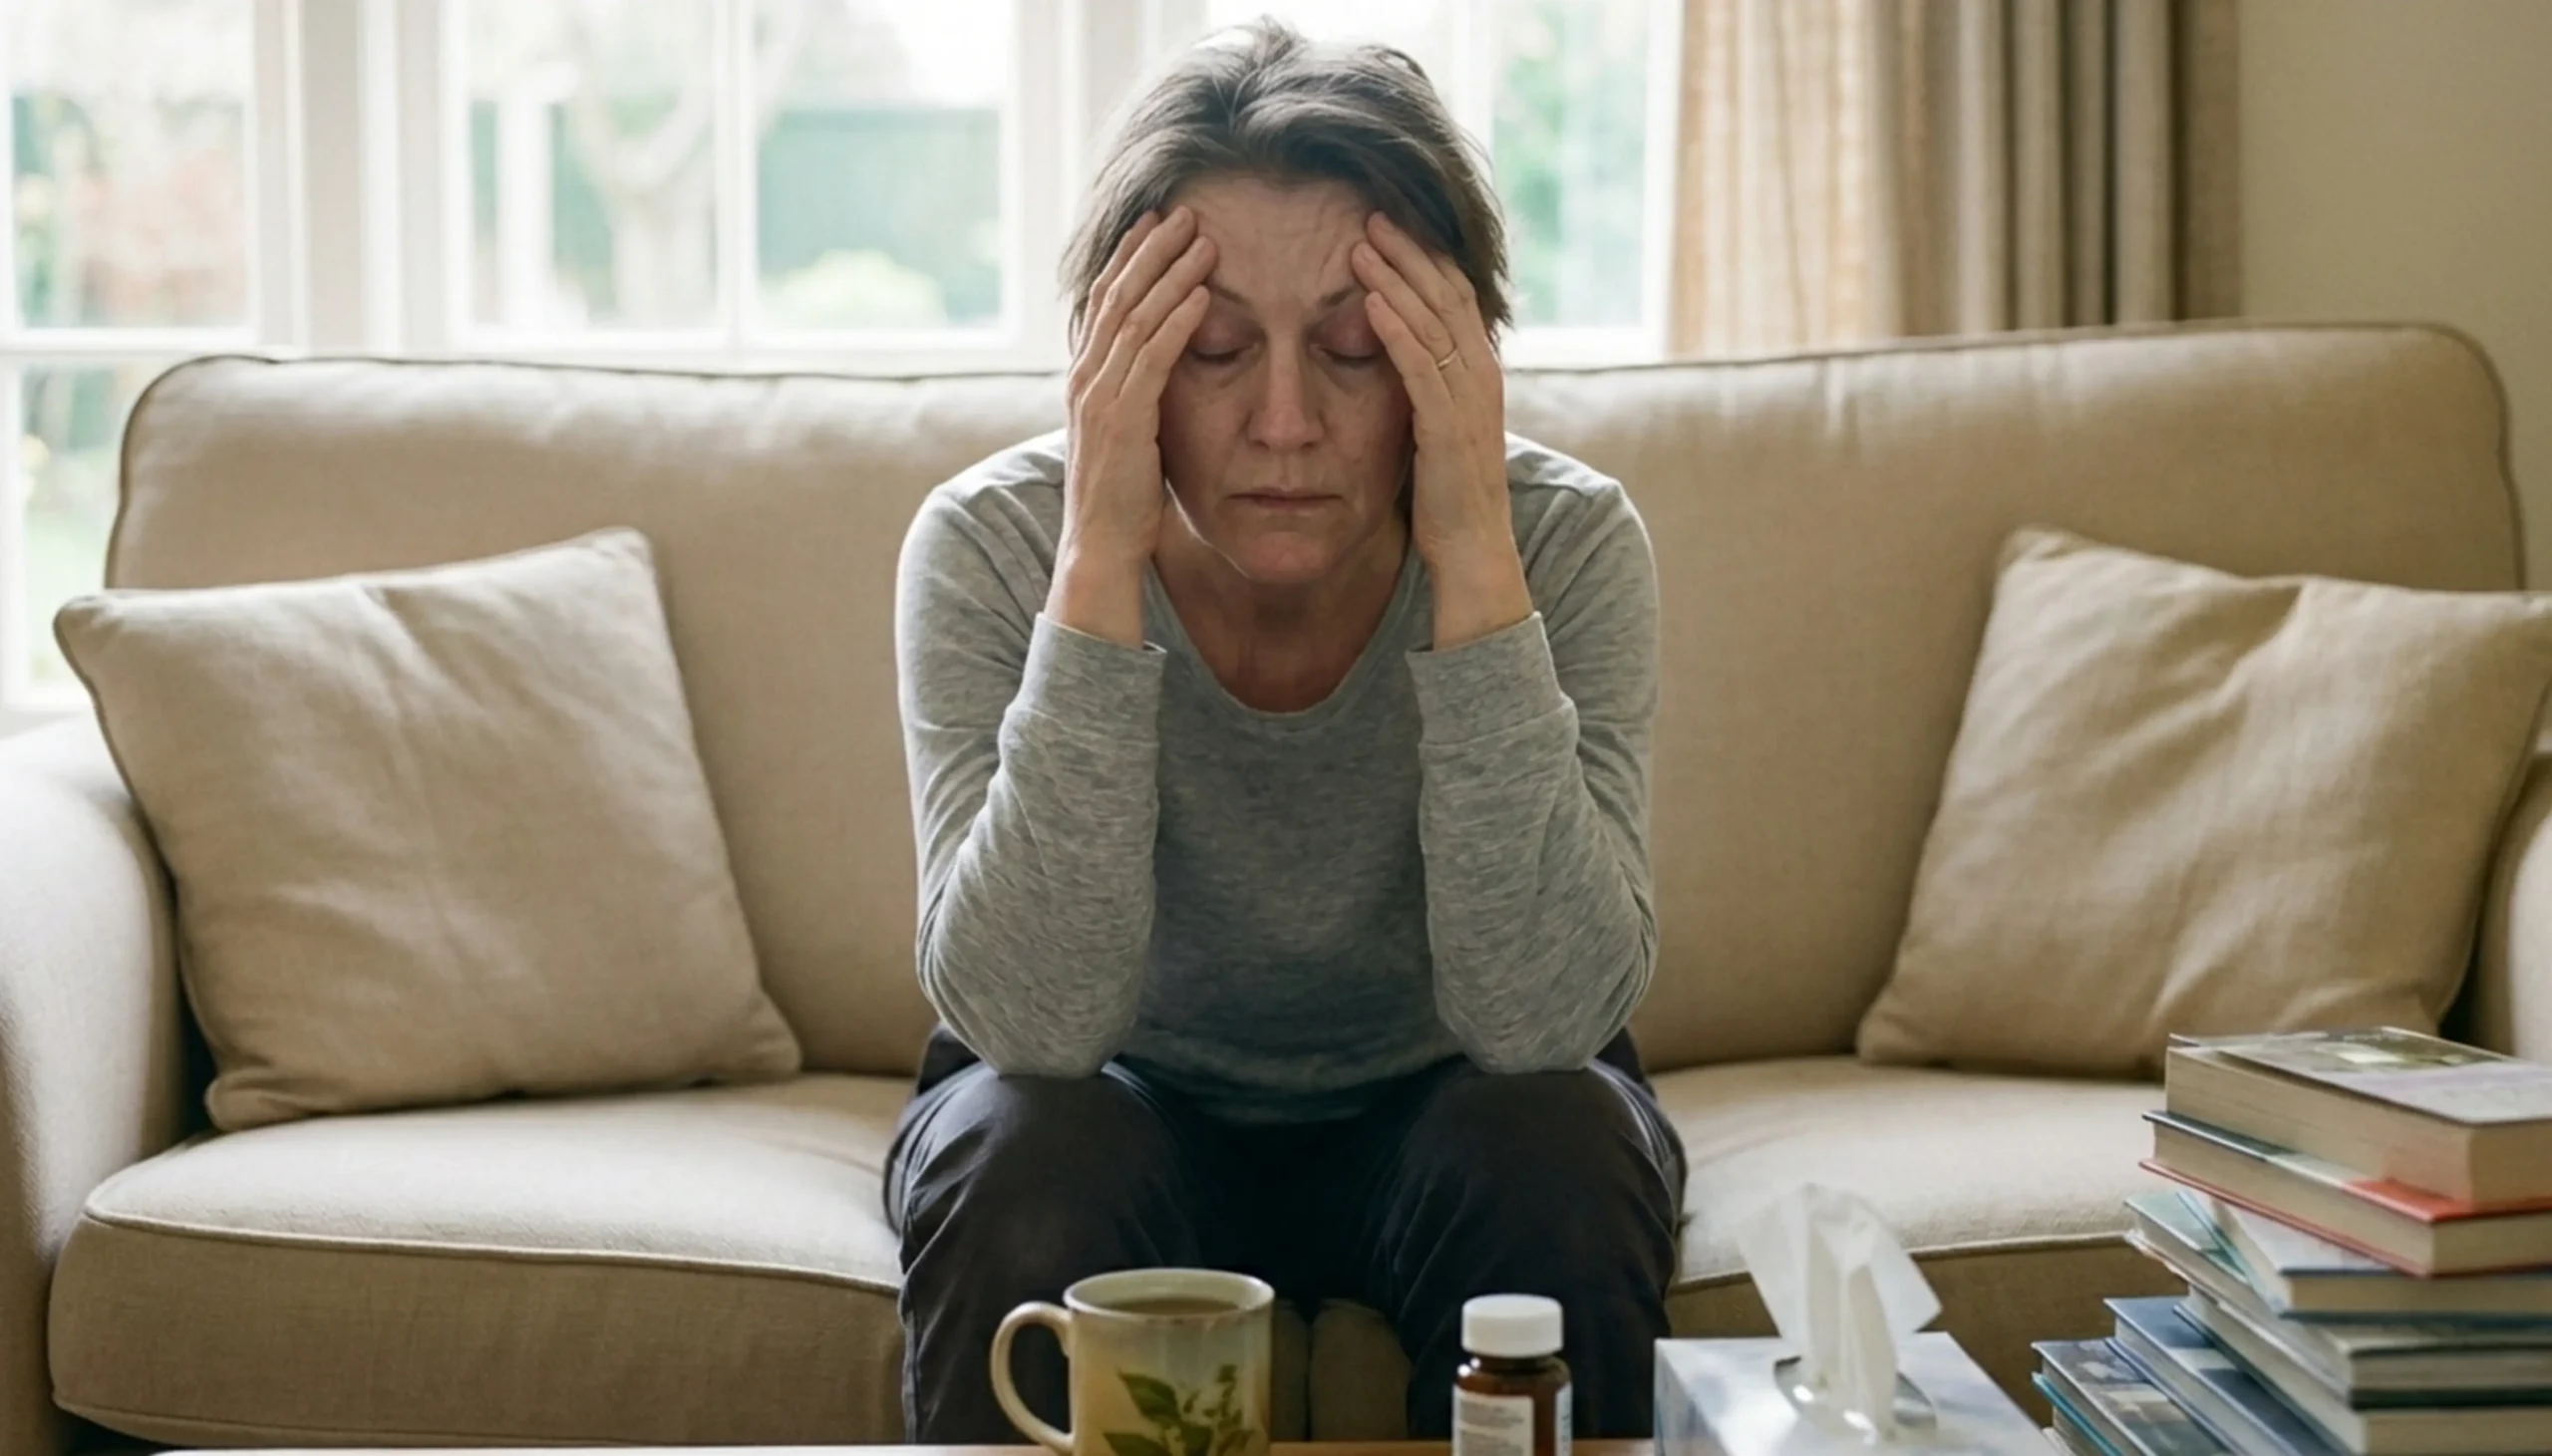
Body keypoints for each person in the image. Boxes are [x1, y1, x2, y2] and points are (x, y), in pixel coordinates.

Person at [885, 18, 1684, 1444]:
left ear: (1453, 360)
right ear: (1114, 365)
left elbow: (1546, 1020)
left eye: (1358, 350)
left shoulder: (1565, 544)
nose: (1285, 423)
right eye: (1208, 351)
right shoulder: (992, 548)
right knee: (1026, 1155)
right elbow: (1028, 1024)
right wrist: (1098, 570)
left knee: (1557, 1144)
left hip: (1452, 1099)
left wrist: (1476, 563)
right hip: (1114, 1100)